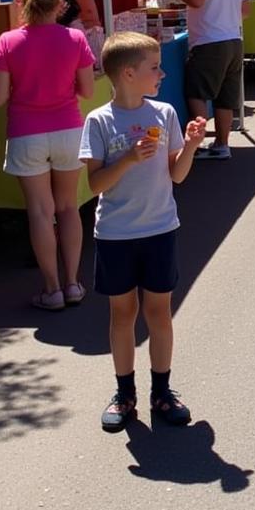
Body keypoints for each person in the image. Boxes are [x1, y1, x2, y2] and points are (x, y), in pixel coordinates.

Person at [80, 32, 207, 432]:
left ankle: (162, 391)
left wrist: (189, 146)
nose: (162, 73)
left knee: (159, 313)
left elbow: (177, 176)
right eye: (154, 67)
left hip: (159, 229)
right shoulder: (99, 120)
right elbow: (95, 184)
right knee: (123, 314)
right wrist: (129, 158)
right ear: (129, 73)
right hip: (115, 233)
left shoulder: (165, 113)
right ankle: (124, 393)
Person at [0, 0, 96, 309]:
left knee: (40, 211)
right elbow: (87, 89)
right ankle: (73, 283)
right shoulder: (75, 39)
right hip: (67, 128)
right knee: (68, 208)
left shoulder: (8, 41)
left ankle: (51, 288)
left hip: (26, 131)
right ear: (61, 3)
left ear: (23, 0)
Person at [163, 0, 249, 161]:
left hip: (210, 41)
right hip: (234, 39)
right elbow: (246, 10)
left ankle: (196, 144)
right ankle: (222, 144)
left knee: (196, 93)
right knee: (225, 97)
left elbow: (197, 0)